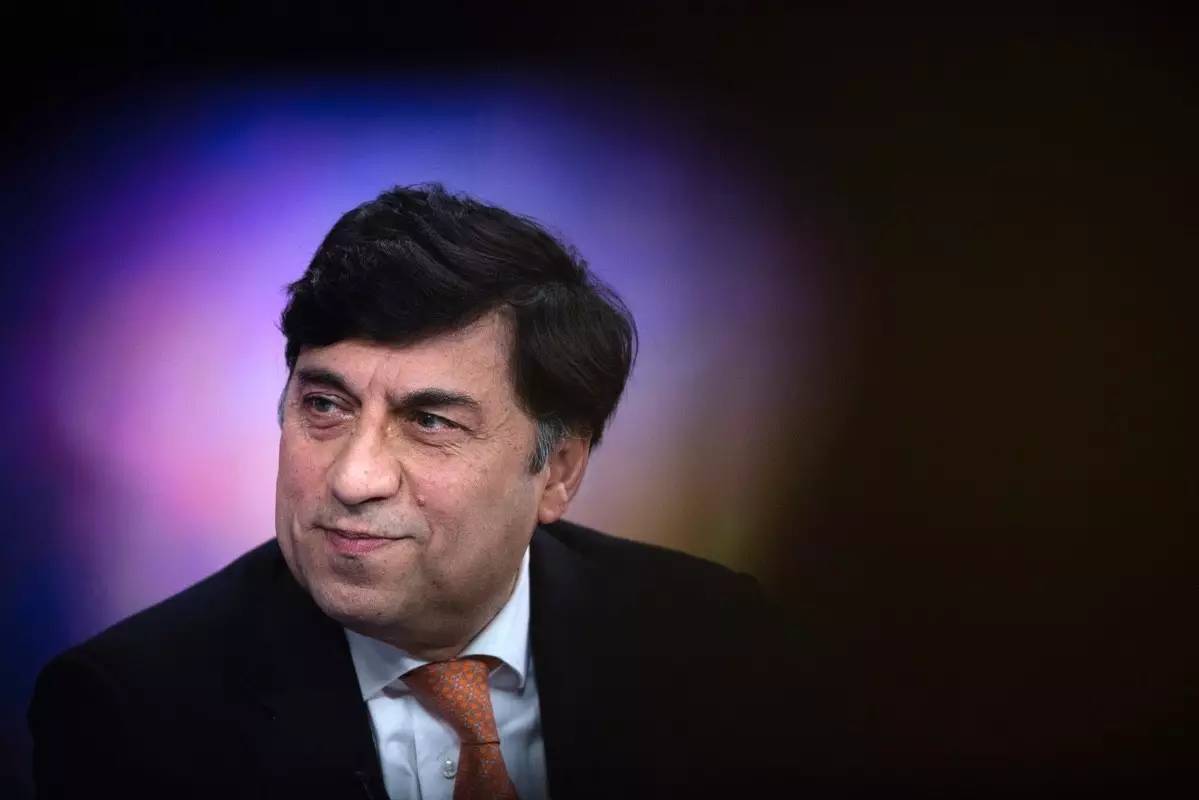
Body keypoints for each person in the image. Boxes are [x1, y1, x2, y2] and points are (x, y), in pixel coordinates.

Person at [29, 184, 814, 799]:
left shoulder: (713, 643)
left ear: (558, 471)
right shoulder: (129, 713)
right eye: (324, 406)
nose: (353, 478)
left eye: (429, 421)